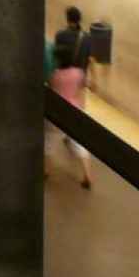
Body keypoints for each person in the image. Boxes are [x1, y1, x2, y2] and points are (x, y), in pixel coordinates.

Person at [47, 38, 94, 189]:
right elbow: (83, 88)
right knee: (80, 144)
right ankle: (87, 175)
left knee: (48, 140)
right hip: (75, 111)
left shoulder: (54, 75)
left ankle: (46, 170)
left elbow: (52, 91)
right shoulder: (79, 73)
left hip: (58, 113)